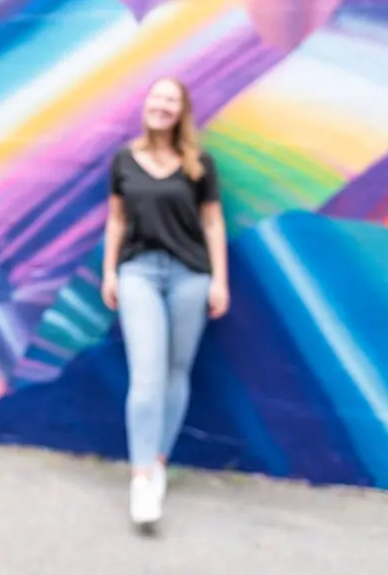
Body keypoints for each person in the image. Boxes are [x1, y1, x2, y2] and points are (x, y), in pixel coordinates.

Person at [101, 77, 228, 527]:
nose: (163, 104)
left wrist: (219, 281)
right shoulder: (124, 161)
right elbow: (116, 220)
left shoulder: (198, 164)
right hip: (138, 272)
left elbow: (212, 224)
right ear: (146, 105)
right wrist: (110, 272)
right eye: (156, 96)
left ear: (181, 111)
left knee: (176, 371)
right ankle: (140, 479)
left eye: (172, 99)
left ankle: (158, 463)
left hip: (190, 274)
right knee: (147, 373)